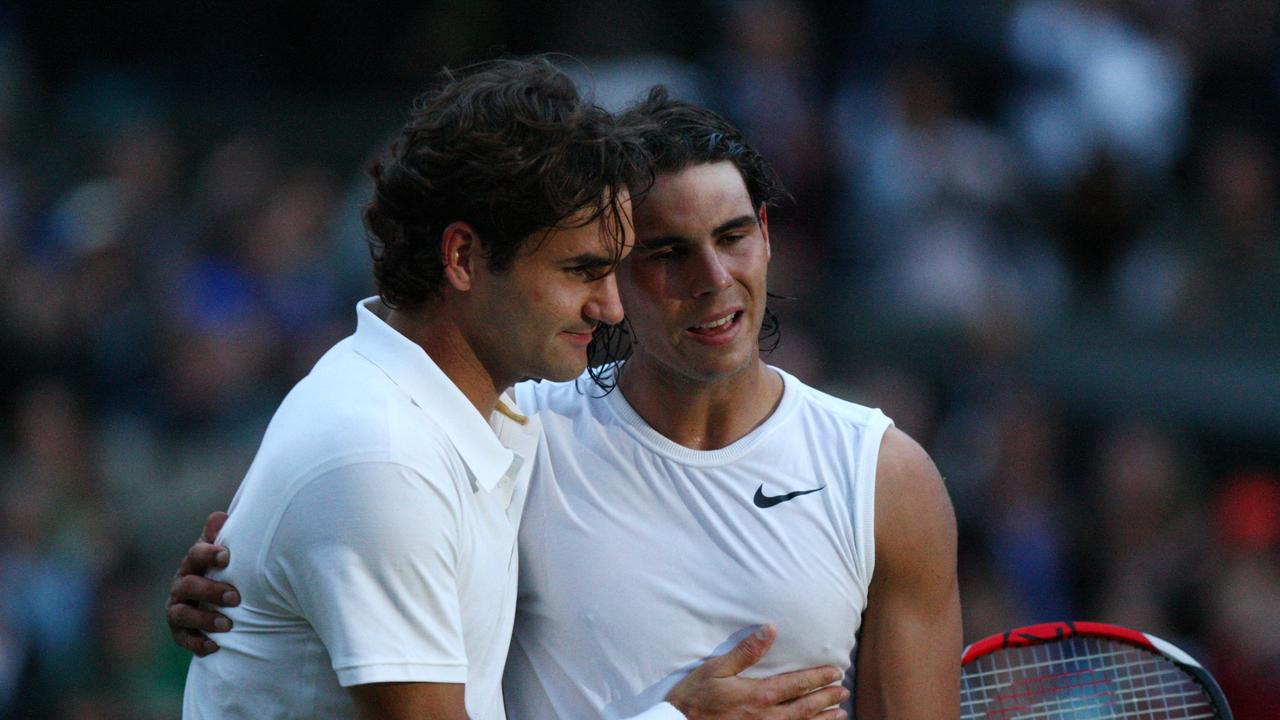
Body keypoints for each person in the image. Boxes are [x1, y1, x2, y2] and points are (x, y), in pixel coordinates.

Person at [170, 84, 960, 718]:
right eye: (660, 254)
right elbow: (349, 495)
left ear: (765, 231)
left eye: (731, 236)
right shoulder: (504, 435)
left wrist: (252, 599)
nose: (713, 280)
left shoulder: (883, 479)